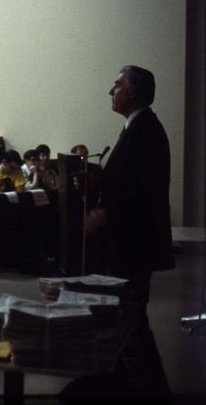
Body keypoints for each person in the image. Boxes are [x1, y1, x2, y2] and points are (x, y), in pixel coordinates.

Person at [65, 66, 175, 400]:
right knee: (128, 317)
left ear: (134, 92)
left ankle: (147, 390)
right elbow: (129, 179)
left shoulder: (147, 130)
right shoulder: (135, 127)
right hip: (127, 242)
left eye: (117, 85)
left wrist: (105, 212)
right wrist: (97, 182)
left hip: (134, 244)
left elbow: (146, 189)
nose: (110, 91)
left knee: (130, 317)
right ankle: (133, 384)